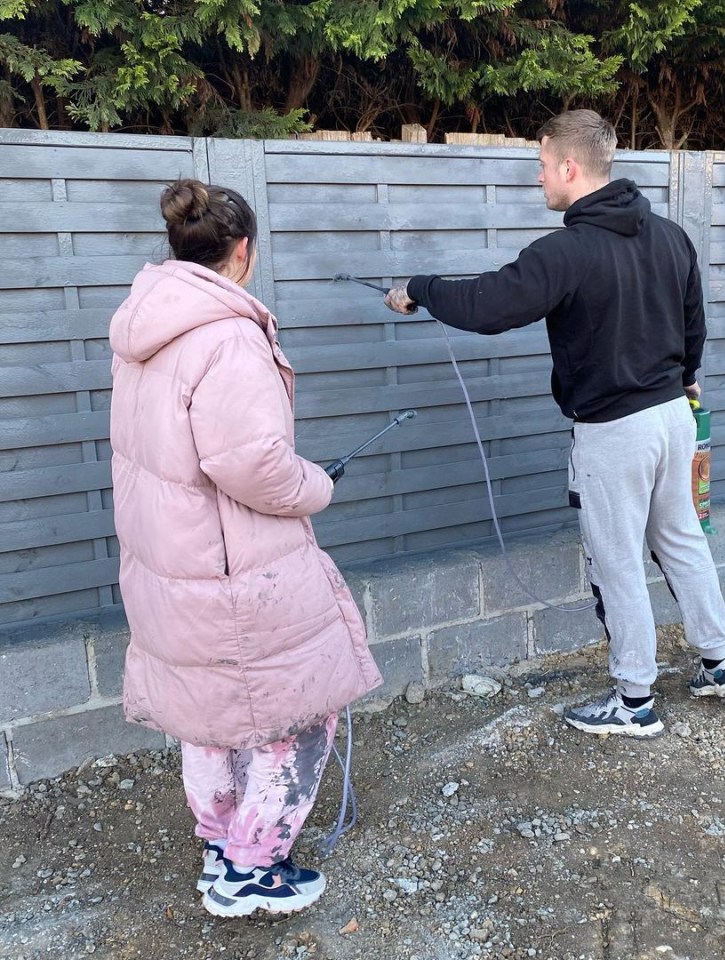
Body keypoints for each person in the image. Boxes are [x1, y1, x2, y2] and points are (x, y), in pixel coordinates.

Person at [384, 109, 725, 738]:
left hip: (616, 429)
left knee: (616, 562)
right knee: (681, 538)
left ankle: (634, 701)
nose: (539, 179)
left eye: (542, 165)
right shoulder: (670, 235)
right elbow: (694, 322)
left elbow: (490, 305)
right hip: (673, 416)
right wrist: (686, 375)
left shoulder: (568, 250)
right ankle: (718, 663)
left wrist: (419, 287)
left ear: (570, 166)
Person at [109, 178, 382, 916]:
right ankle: (253, 870)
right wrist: (318, 485)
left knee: (207, 710)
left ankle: (221, 849)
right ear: (243, 253)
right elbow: (252, 466)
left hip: (171, 568)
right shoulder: (227, 336)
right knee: (295, 715)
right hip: (234, 573)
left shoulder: (145, 332)